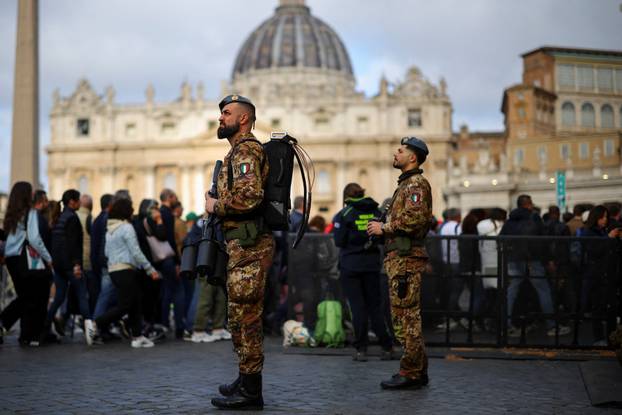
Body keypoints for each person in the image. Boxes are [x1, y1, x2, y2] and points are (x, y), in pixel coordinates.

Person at [205, 94, 274, 410]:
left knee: (245, 317)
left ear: (243, 118)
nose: (220, 118)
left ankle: (251, 390)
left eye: (227, 113)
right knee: (239, 315)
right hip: (240, 245)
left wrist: (215, 205)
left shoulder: (246, 150)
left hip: (249, 247)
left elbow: (249, 198)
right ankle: (245, 379)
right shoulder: (236, 152)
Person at [367, 136, 431, 390]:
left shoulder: (415, 184)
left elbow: (415, 219)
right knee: (404, 316)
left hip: (406, 260)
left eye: (401, 150)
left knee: (406, 318)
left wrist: (384, 227)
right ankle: (417, 370)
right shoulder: (405, 184)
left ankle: (411, 372)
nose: (396, 152)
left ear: (412, 157)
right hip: (398, 258)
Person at [85, 197, 160, 348]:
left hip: (114, 270)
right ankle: (94, 323)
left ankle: (138, 336)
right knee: (125, 305)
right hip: (125, 269)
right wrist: (150, 269)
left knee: (135, 302)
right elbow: (136, 251)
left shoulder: (110, 229)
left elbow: (106, 251)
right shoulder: (127, 227)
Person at [332, 182, 393, 361]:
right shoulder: (376, 212)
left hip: (350, 266)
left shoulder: (344, 214)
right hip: (372, 265)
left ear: (346, 198)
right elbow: (382, 239)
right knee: (375, 307)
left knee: (357, 307)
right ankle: (387, 347)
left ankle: (361, 349)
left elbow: (339, 241)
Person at [500, 195, 570, 338]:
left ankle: (506, 326)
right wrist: (549, 259)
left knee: (511, 292)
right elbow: (543, 241)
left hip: (514, 259)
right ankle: (551, 326)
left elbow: (502, 239)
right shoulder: (535, 218)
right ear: (529, 204)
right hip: (533, 259)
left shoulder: (510, 220)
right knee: (543, 290)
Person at [1, 182, 53, 346]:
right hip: (24, 259)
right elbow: (35, 239)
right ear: (25, 195)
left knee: (26, 297)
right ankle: (6, 323)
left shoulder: (11, 214)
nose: (32, 194)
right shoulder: (30, 213)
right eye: (30, 192)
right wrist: (49, 259)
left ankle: (27, 336)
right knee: (29, 297)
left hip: (11, 259)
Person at [47, 189, 93, 342]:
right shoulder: (72, 218)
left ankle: (45, 326)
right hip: (70, 265)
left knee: (59, 297)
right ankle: (90, 334)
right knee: (82, 296)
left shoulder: (59, 217)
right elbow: (74, 244)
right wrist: (77, 265)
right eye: (78, 200)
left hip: (58, 265)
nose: (80, 202)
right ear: (72, 202)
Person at [579, 205, 621, 345]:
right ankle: (599, 338)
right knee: (598, 308)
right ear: (595, 217)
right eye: (602, 217)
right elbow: (594, 251)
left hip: (608, 274)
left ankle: (612, 337)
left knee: (611, 307)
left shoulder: (603, 230)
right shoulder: (589, 232)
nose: (605, 220)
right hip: (596, 275)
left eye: (606, 217)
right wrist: (609, 238)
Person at [159, 188, 186, 338]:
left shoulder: (159, 212)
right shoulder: (167, 214)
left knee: (167, 292)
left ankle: (164, 324)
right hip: (171, 259)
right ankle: (179, 327)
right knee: (179, 292)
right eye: (175, 196)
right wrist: (177, 262)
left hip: (162, 259)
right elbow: (170, 240)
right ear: (170, 197)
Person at [77, 194, 96, 314]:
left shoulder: (73, 216)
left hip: (74, 262)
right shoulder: (90, 219)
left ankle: (65, 316)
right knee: (91, 293)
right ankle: (88, 319)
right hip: (87, 261)